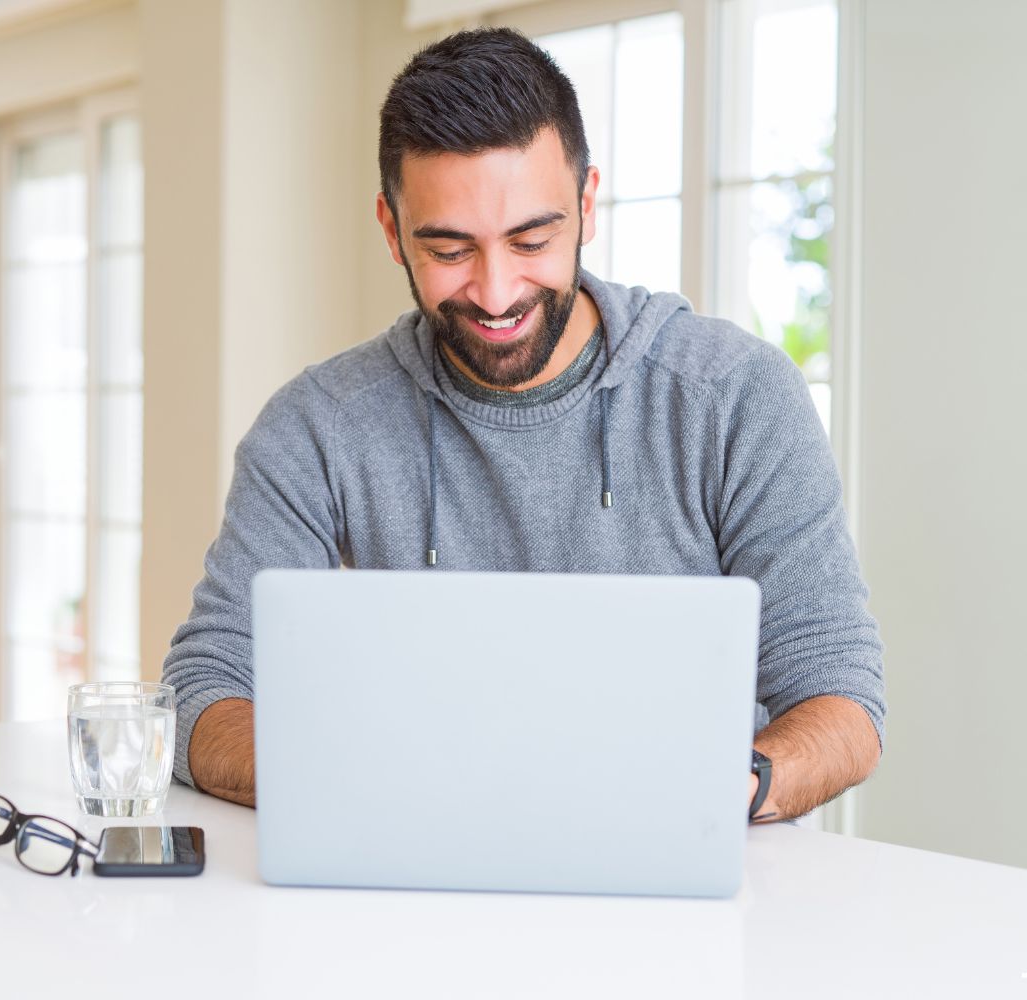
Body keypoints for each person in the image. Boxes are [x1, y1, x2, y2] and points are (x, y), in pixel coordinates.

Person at [162, 27, 884, 823]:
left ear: (587, 204)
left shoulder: (732, 397)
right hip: (411, 859)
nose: (497, 291)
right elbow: (208, 684)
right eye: (449, 250)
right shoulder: (319, 426)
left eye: (531, 240)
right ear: (391, 228)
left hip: (679, 871)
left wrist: (720, 792)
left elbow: (841, 697)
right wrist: (363, 778)